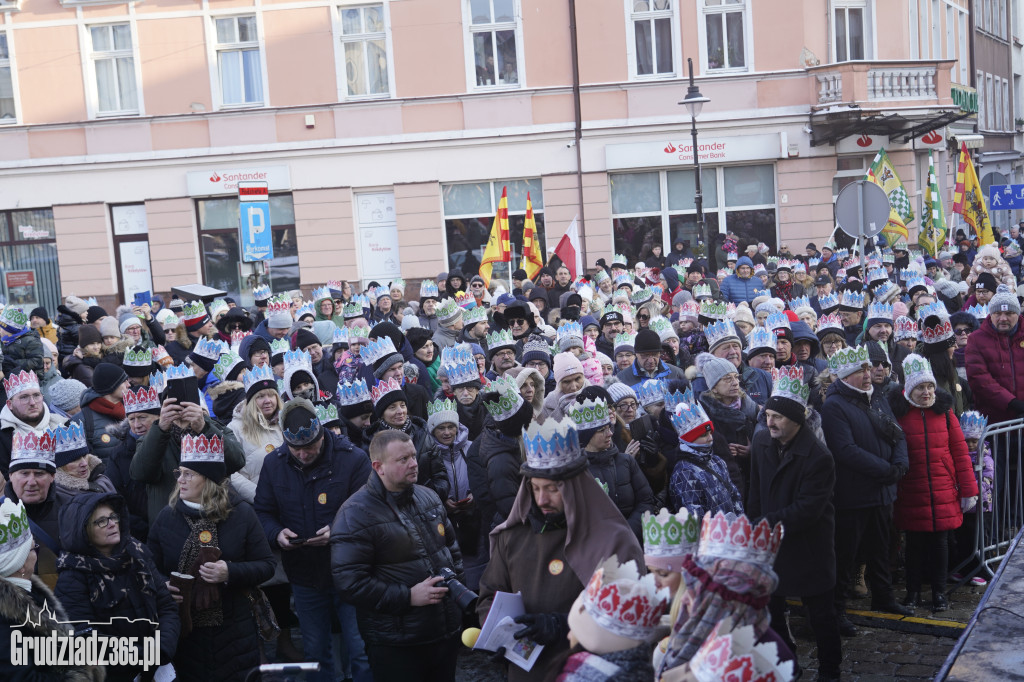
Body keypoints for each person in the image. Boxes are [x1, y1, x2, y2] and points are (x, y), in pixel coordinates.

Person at [477, 417, 644, 682]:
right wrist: (500, 634)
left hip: (588, 671)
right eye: (536, 488)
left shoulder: (613, 539)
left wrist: (561, 623)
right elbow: (490, 595)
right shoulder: (514, 535)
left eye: (553, 489)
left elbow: (629, 616)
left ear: (575, 488)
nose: (542, 499)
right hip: (526, 669)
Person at [331, 430, 464, 682]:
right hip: (396, 643)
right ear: (378, 467)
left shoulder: (429, 497)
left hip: (442, 632)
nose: (414, 463)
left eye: (413, 456)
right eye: (403, 460)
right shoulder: (355, 514)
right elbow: (350, 584)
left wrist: (459, 600)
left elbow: (452, 553)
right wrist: (408, 597)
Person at [255, 398, 372, 682]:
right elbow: (263, 511)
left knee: (360, 649)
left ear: (322, 434)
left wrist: (338, 530)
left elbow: (369, 509)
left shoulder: (353, 459)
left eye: (310, 447)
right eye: (296, 449)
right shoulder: (274, 463)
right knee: (316, 651)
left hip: (351, 570)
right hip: (305, 573)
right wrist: (276, 533)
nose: (304, 454)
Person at [147, 433, 274, 681]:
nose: (180, 480)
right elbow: (148, 566)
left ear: (210, 480)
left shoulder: (241, 514)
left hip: (234, 628)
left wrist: (230, 572)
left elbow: (267, 565)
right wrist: (162, 586)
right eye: (179, 473)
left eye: (189, 474)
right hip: (185, 631)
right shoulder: (167, 517)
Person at [748, 365, 841, 681]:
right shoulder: (761, 442)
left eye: (778, 417)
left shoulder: (818, 457)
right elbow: (755, 489)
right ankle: (786, 663)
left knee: (822, 616)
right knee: (772, 612)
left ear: (797, 421)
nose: (770, 422)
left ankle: (830, 670)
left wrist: (764, 522)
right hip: (770, 545)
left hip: (808, 546)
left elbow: (808, 510)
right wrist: (754, 526)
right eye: (768, 415)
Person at [820, 345, 913, 636]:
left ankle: (884, 598)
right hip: (854, 494)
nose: (868, 373)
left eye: (867, 368)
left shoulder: (878, 397)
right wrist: (886, 471)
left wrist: (900, 463)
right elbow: (846, 450)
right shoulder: (834, 405)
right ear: (846, 377)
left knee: (881, 550)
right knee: (847, 555)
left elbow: (897, 435)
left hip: (883, 492)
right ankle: (836, 612)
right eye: (860, 370)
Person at [55, 492, 179, 681]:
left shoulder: (137, 554)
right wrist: (143, 655)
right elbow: (84, 636)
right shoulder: (73, 575)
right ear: (82, 531)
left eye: (113, 517)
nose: (112, 524)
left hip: (156, 668)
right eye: (101, 521)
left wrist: (162, 647)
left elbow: (166, 606)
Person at [889, 355, 979, 613]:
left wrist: (969, 489)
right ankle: (913, 591)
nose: (926, 392)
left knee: (941, 544)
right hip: (912, 489)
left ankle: (939, 592)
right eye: (920, 388)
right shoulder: (900, 415)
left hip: (943, 489)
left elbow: (960, 452)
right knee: (914, 545)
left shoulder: (945, 413)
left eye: (929, 387)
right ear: (909, 390)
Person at [0, 498, 103, 680]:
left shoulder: (29, 591)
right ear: (19, 565)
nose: (37, 554)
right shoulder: (5, 618)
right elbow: (23, 677)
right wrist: (79, 673)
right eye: (33, 550)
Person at [129, 368, 245, 524]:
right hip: (169, 522)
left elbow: (237, 461)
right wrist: (161, 428)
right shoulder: (153, 435)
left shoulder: (217, 428)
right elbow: (140, 474)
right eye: (173, 403)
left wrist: (204, 428)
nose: (181, 407)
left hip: (214, 516)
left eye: (188, 402)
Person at [557, 556, 669, 682]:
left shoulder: (577, 676)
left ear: (591, 638)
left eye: (575, 629)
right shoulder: (643, 672)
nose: (568, 635)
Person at [570, 396, 655, 541]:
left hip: (633, 541)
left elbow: (646, 501)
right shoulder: (575, 471)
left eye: (609, 427)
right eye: (602, 430)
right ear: (587, 436)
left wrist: (628, 531)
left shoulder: (626, 461)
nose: (610, 433)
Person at [696, 353, 759, 499]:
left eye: (736, 377)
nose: (735, 382)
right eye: (727, 379)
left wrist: (752, 449)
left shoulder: (752, 408)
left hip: (753, 478)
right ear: (714, 387)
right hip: (726, 482)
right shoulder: (704, 414)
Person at [666, 400, 743, 517]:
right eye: (703, 435)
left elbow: (734, 494)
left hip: (730, 530)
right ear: (689, 439)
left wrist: (738, 521)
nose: (710, 438)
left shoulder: (717, 461)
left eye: (710, 433)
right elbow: (693, 515)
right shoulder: (684, 472)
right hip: (710, 533)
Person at [966, 285, 1024, 423]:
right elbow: (979, 378)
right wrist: (1011, 403)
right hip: (996, 420)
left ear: (1018, 314)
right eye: (997, 314)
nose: (1003, 318)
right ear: (991, 314)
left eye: (1009, 313)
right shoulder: (976, 339)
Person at [227, 365, 282, 504]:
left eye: (271, 395)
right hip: (257, 505)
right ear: (251, 401)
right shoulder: (235, 428)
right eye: (261, 396)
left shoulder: (286, 422)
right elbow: (230, 473)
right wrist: (259, 495)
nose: (268, 400)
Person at [0, 370, 68, 477]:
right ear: (10, 404)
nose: (32, 402)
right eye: (24, 397)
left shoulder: (64, 425)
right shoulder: (3, 435)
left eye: (36, 395)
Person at [75, 362, 131, 463]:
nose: (129, 385)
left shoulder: (131, 411)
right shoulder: (82, 421)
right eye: (124, 381)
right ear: (111, 386)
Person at [53, 422, 116, 497]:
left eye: (84, 456)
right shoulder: (57, 495)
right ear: (60, 466)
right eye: (75, 459)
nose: (84, 463)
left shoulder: (103, 481)